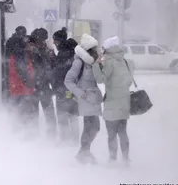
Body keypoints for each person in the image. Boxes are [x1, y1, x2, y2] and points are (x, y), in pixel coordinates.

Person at [92, 36, 132, 165]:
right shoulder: (123, 60)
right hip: (124, 101)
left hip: (113, 102)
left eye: (104, 48)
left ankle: (113, 159)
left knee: (112, 133)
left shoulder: (109, 60)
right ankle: (126, 159)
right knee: (123, 132)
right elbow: (129, 80)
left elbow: (100, 79)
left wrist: (96, 65)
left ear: (108, 48)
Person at [64, 33, 103, 164]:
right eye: (94, 49)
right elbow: (68, 81)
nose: (96, 51)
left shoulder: (92, 63)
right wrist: (81, 93)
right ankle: (84, 153)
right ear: (88, 50)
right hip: (86, 98)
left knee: (95, 127)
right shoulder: (79, 62)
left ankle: (84, 152)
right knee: (90, 126)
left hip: (93, 98)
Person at [52, 27, 80, 144]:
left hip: (63, 89)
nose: (54, 43)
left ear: (60, 41)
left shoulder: (63, 54)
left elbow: (59, 73)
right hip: (73, 89)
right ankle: (75, 138)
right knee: (73, 113)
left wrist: (55, 86)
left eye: (55, 40)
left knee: (62, 113)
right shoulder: (74, 53)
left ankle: (65, 138)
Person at [30, 28, 57, 138]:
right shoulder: (30, 51)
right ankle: (33, 136)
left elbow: (52, 67)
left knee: (49, 112)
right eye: (41, 40)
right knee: (33, 113)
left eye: (44, 40)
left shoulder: (47, 50)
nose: (42, 42)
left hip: (43, 86)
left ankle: (51, 136)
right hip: (33, 86)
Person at [5, 26, 36, 120]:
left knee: (18, 113)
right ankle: (23, 132)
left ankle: (18, 131)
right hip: (21, 88)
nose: (32, 48)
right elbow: (21, 69)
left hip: (16, 87)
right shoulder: (20, 52)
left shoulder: (15, 49)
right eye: (31, 45)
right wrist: (29, 83)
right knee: (24, 115)